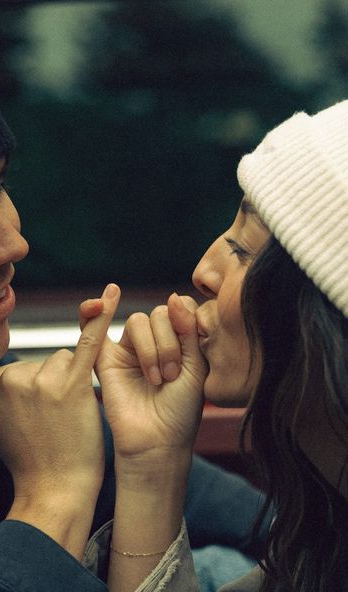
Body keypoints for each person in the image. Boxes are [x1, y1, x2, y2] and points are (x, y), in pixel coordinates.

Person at [0, 15, 268, 592]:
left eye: (0, 187)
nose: (14, 242)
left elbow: (271, 529)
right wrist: (52, 498)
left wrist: (151, 461)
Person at [83, 99, 348, 591]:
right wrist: (151, 463)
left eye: (243, 250)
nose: (204, 272)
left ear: (326, 318)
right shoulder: (319, 542)